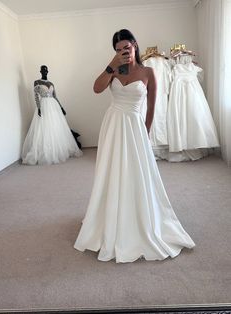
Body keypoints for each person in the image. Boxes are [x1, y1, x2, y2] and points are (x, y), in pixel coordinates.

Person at [74, 29, 195, 263]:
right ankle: (110, 213)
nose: (123, 52)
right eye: (118, 49)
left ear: (135, 46)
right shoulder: (112, 71)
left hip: (135, 126)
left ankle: (138, 216)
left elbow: (151, 108)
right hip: (113, 126)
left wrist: (145, 133)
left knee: (136, 172)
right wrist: (111, 65)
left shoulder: (148, 72)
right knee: (111, 170)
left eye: (126, 48)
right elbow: (97, 89)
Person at [22, 65, 82, 165]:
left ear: (48, 71)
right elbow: (36, 96)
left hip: (53, 106)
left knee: (55, 127)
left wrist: (61, 107)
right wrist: (39, 108)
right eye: (43, 70)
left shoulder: (51, 83)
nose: (44, 71)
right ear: (40, 71)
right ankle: (45, 152)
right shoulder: (37, 82)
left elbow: (55, 97)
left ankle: (58, 151)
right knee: (44, 127)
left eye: (46, 70)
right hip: (44, 105)